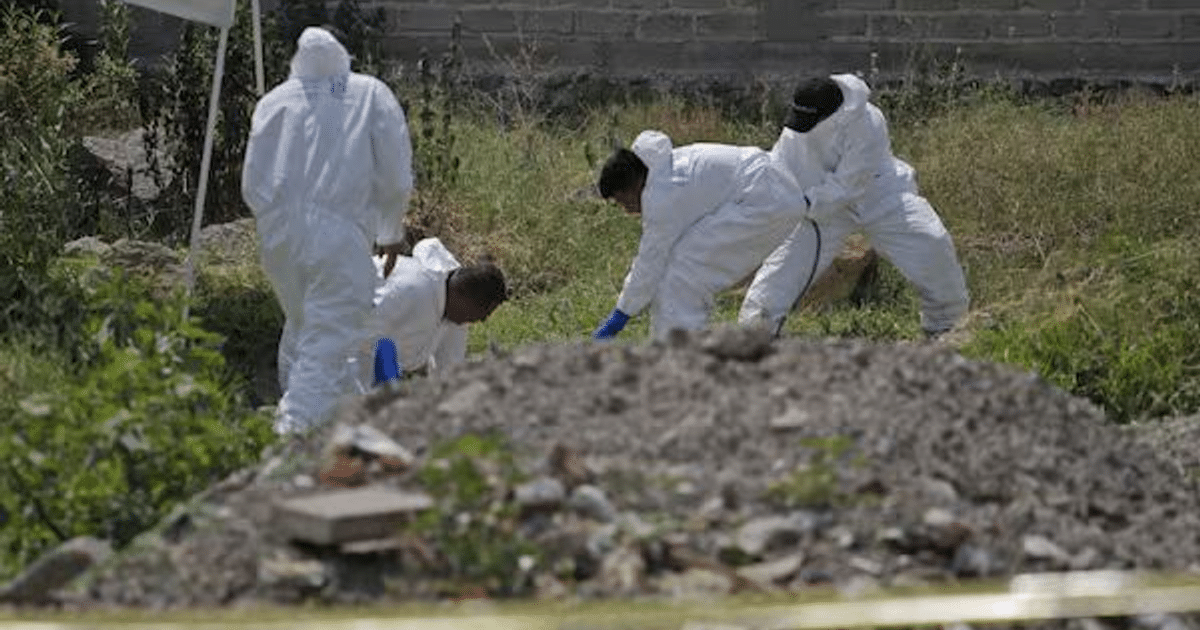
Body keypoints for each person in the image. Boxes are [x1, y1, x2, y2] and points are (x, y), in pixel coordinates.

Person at [241, 26, 413, 435]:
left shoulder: (273, 101)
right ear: (344, 53)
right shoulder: (368, 92)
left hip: (278, 238)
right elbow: (394, 174)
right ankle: (289, 438)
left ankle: (342, 436)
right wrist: (391, 230)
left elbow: (251, 179)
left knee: (313, 337)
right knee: (326, 346)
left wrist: (277, 222)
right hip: (338, 237)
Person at [737, 74, 970, 339]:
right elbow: (781, 169)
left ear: (836, 114)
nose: (803, 127)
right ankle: (755, 333)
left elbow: (850, 184)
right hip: (820, 205)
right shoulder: (796, 130)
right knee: (786, 263)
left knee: (931, 242)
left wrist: (806, 202)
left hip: (879, 194)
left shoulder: (869, 123)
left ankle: (947, 327)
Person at [592, 130, 809, 342]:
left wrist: (620, 315)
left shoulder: (662, 195)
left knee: (683, 273)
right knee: (681, 265)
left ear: (633, 185)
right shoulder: (667, 166)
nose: (626, 210)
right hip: (773, 187)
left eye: (622, 201)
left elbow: (650, 262)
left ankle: (681, 355)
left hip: (764, 202)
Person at [368, 237, 508, 381]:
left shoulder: (453, 308)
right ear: (467, 299)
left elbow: (449, 370)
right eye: (484, 313)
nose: (482, 320)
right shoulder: (410, 295)